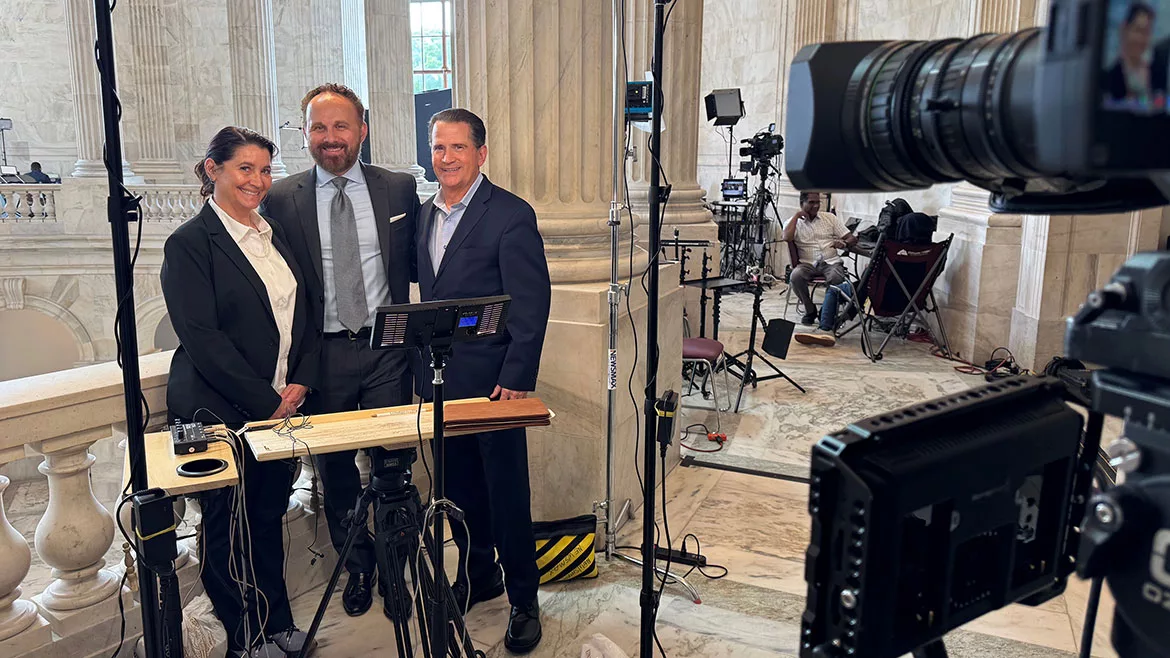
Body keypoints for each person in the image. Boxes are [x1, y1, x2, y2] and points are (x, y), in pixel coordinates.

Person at [261, 82, 420, 620]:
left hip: (387, 351)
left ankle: (397, 570)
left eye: (341, 126)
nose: (330, 138)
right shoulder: (282, 198)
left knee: (393, 467)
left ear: (362, 130)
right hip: (322, 358)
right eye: (319, 127)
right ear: (305, 134)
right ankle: (358, 566)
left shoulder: (399, 190)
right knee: (335, 474)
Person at [161, 126, 318, 657]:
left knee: (268, 517)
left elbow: (305, 314)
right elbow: (203, 340)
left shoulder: (273, 234)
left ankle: (277, 622)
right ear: (214, 170)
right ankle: (244, 637)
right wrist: (268, 401)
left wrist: (301, 378)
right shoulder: (188, 243)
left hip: (280, 402)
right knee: (227, 528)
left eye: (265, 170)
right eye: (245, 168)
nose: (258, 181)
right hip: (219, 409)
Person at [418, 108, 550, 654]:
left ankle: (523, 597)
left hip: (496, 386)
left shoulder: (510, 215)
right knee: (460, 490)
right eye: (438, 148)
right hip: (442, 382)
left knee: (506, 495)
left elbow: (532, 299)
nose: (446, 159)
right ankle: (478, 577)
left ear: (481, 154)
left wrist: (517, 375)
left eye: (458, 148)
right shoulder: (423, 214)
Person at [784, 191, 856, 347]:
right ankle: (810, 310)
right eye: (811, 202)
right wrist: (797, 217)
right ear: (801, 203)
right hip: (807, 263)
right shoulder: (793, 222)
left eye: (818, 202)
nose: (816, 206)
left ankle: (826, 314)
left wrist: (845, 243)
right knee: (795, 276)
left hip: (830, 261)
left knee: (837, 279)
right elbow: (787, 238)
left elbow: (850, 237)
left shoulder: (829, 218)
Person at [1104, 3, 1159, 105]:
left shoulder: (1157, 74)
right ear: (1124, 30)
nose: (1141, 39)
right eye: (1137, 30)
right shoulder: (1109, 77)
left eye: (1146, 32)